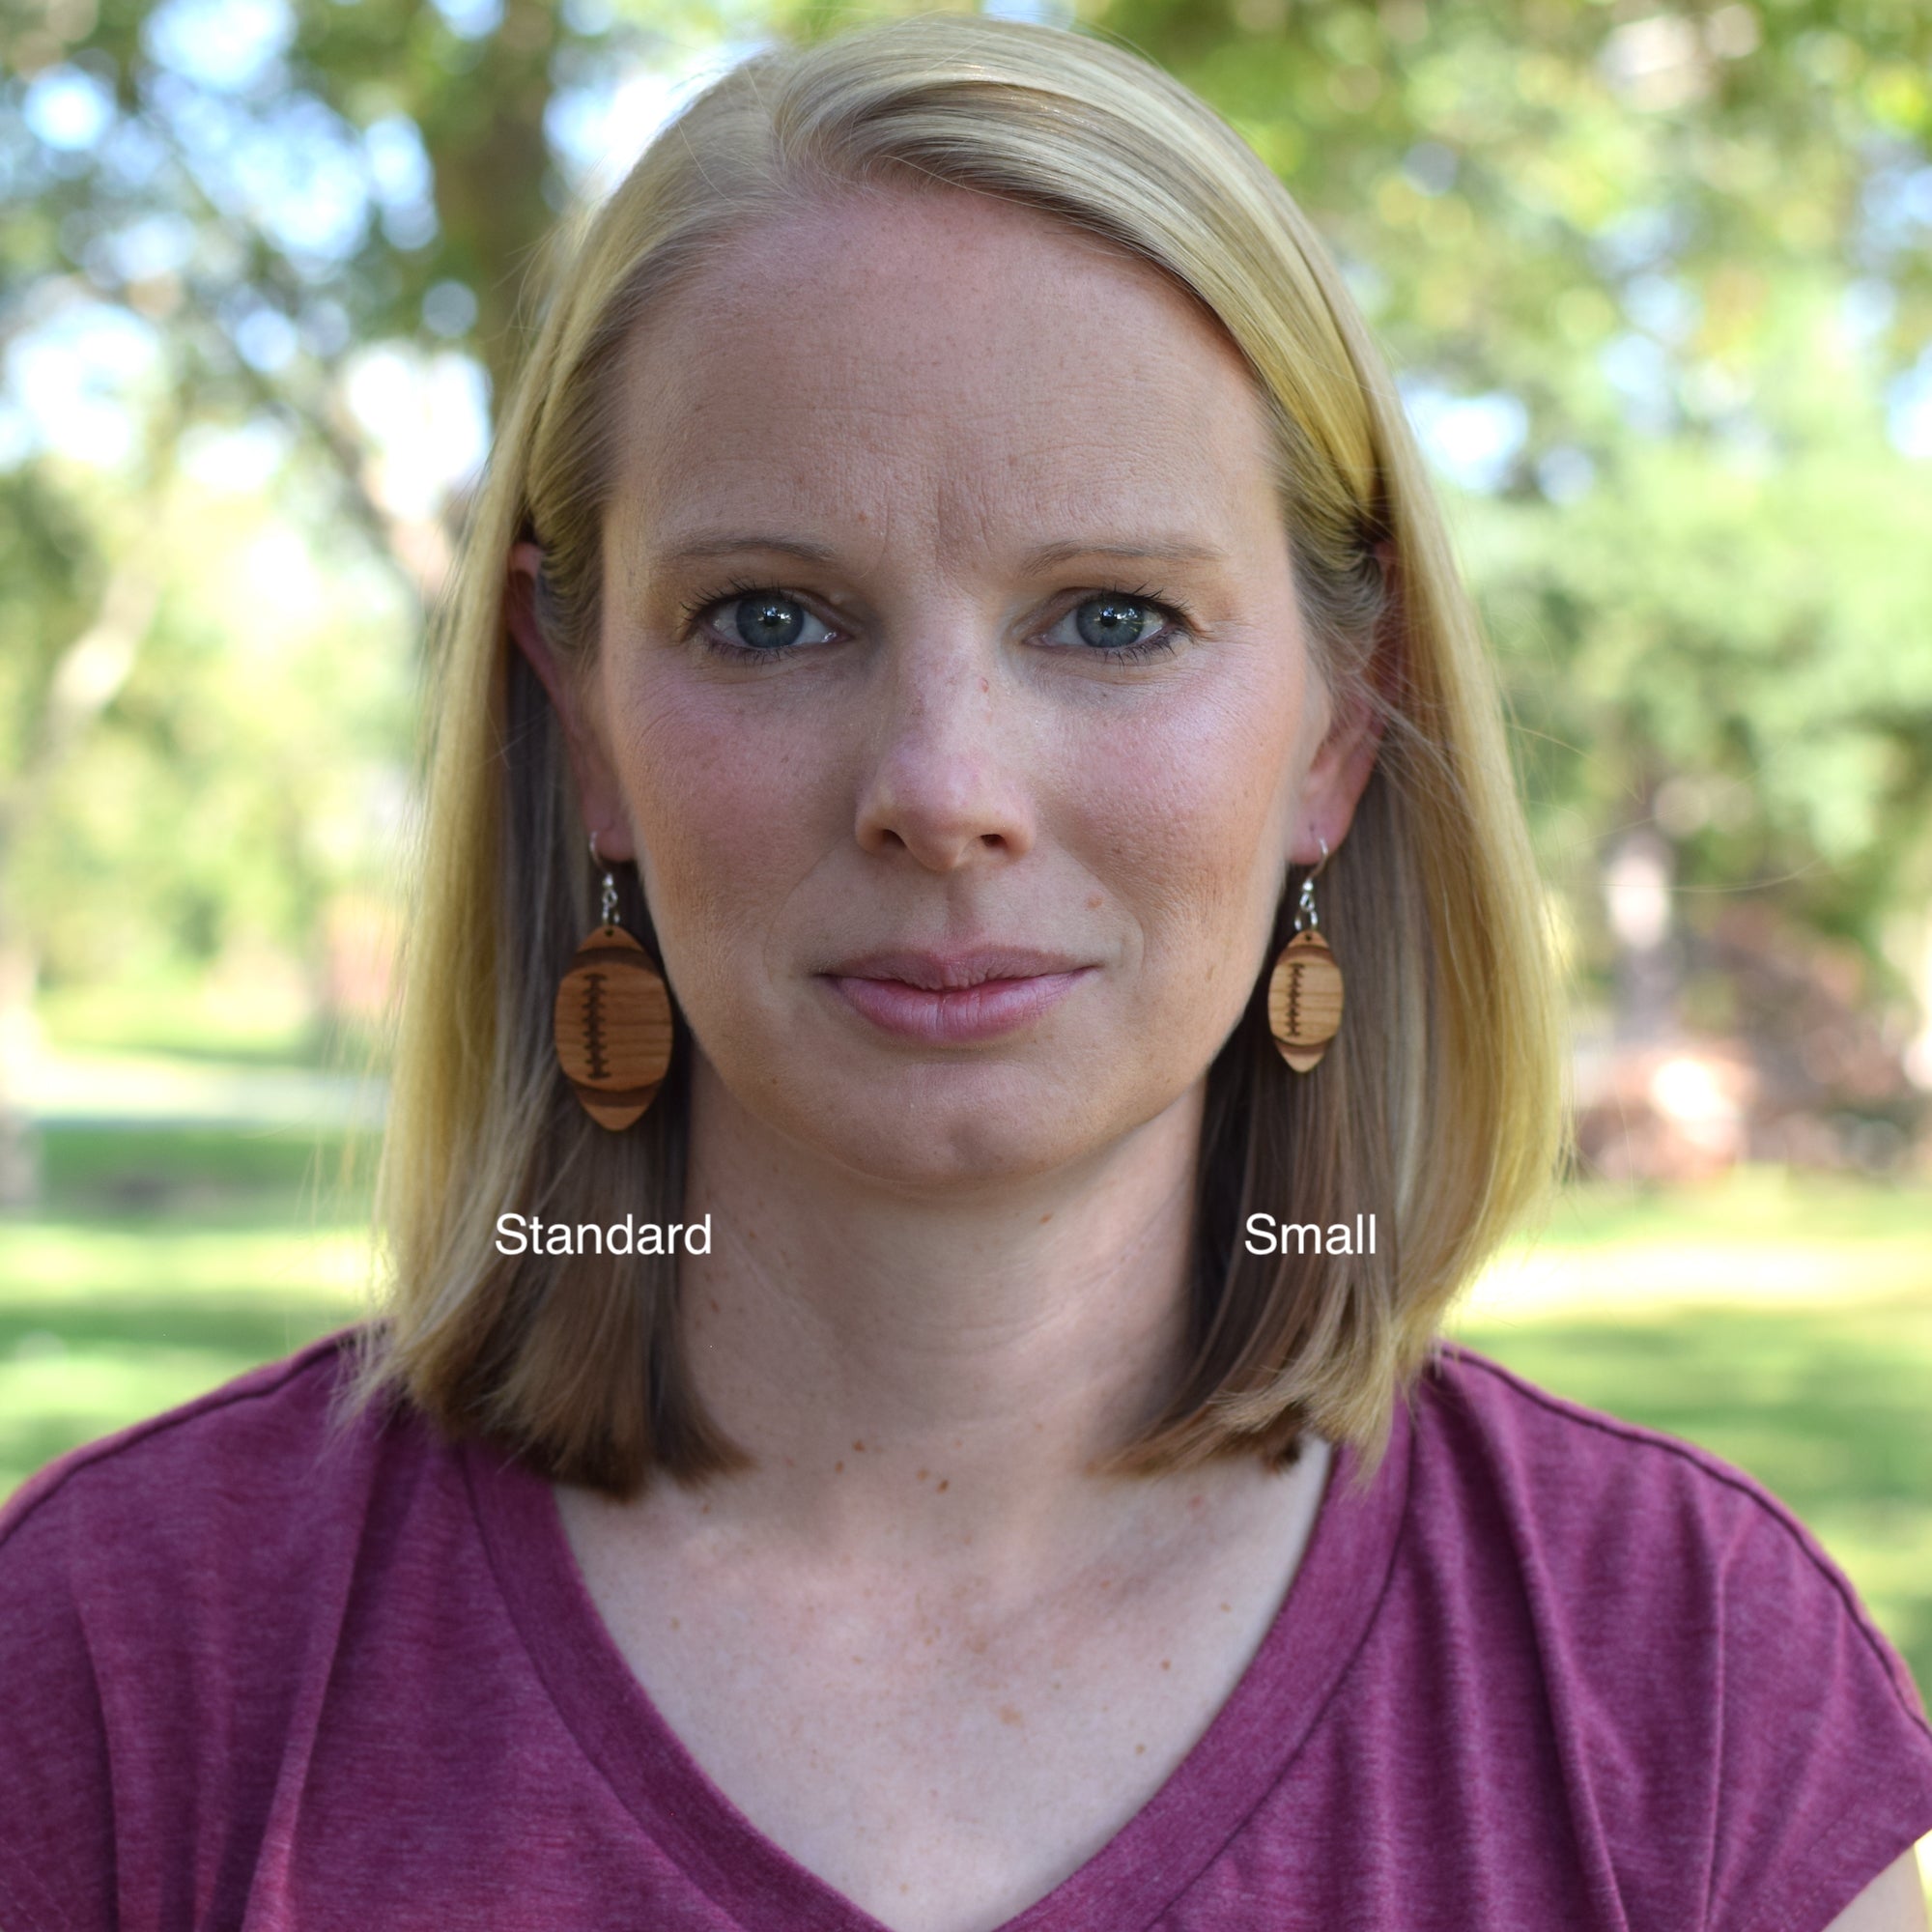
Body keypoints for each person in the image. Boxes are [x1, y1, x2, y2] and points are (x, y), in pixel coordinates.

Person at [3, 14, 1928, 1930]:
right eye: (770, 618)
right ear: (580, 716)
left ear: (1342, 728)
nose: (941, 791)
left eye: (1111, 617)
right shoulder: (120, 1666)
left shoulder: (1691, 1693)